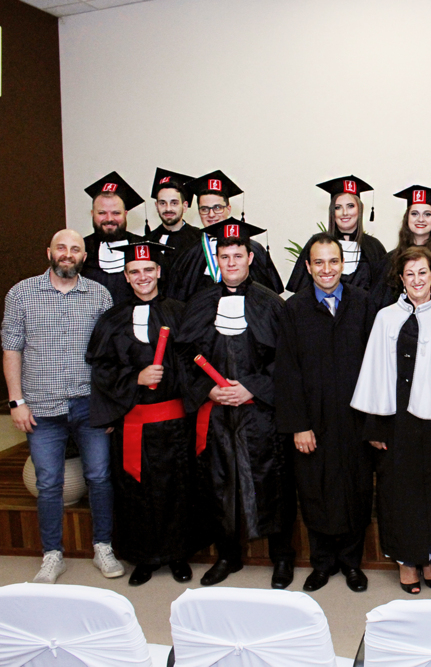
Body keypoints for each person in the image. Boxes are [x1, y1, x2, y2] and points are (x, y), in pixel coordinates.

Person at [180, 220, 296, 589]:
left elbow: (287, 361)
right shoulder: (199, 303)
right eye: (224, 256)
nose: (231, 262)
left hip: (259, 412)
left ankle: (282, 557)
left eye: (238, 256)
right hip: (214, 414)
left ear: (250, 257)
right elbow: (184, 357)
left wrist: (251, 388)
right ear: (217, 260)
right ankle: (227, 556)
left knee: (271, 481)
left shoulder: (270, 303)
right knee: (219, 484)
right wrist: (208, 391)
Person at [1, 229, 121, 584]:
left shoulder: (99, 295)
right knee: (49, 482)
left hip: (89, 405)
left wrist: (110, 406)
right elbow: (12, 350)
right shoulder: (21, 293)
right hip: (41, 407)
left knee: (100, 477)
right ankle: (52, 554)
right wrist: (16, 401)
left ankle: (103, 546)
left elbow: (111, 356)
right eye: (61, 248)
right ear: (49, 251)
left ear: (84, 256)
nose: (67, 254)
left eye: (75, 249)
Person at [351, 246, 431, 594]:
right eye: (410, 274)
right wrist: (374, 426)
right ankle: (406, 562)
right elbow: (374, 373)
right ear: (400, 280)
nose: (417, 279)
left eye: (423, 272)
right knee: (400, 495)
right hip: (396, 422)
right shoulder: (386, 317)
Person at [85, 240, 196, 586]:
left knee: (178, 488)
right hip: (134, 424)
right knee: (136, 491)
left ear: (159, 272)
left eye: (149, 270)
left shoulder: (181, 312)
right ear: (127, 276)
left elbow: (195, 363)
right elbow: (102, 371)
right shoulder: (112, 319)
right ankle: (145, 558)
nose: (143, 277)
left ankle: (179, 555)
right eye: (135, 272)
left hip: (175, 423)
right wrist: (137, 378)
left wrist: (170, 375)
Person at [275, 233, 378, 593]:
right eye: (318, 262)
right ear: (307, 267)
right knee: (316, 490)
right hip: (313, 421)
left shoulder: (364, 304)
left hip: (354, 419)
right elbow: (286, 372)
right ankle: (321, 563)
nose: (327, 269)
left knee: (355, 489)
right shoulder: (294, 309)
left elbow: (376, 365)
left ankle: (351, 563)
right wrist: (298, 425)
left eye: (333, 261)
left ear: (343, 264)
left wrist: (374, 422)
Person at [168, 170, 284, 300]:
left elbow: (270, 299)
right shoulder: (188, 253)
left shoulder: (254, 249)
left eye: (217, 207)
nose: (211, 215)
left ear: (228, 209)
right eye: (204, 209)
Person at [369, 185, 431, 310]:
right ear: (407, 218)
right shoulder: (389, 261)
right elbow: (378, 306)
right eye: (414, 214)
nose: (421, 219)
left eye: (427, 214)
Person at [285, 175, 388, 293]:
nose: (344, 213)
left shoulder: (374, 247)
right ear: (332, 211)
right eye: (338, 207)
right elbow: (302, 295)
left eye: (350, 206)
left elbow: (382, 293)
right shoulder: (317, 244)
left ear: (360, 209)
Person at [81, 171, 145, 305]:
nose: (109, 219)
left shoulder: (143, 247)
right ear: (92, 214)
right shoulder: (80, 249)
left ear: (125, 214)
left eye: (116, 213)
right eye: (102, 213)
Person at [144, 168, 202, 267]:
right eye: (162, 203)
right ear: (156, 206)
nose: (168, 208)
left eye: (174, 203)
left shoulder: (199, 239)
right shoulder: (148, 241)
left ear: (184, 206)